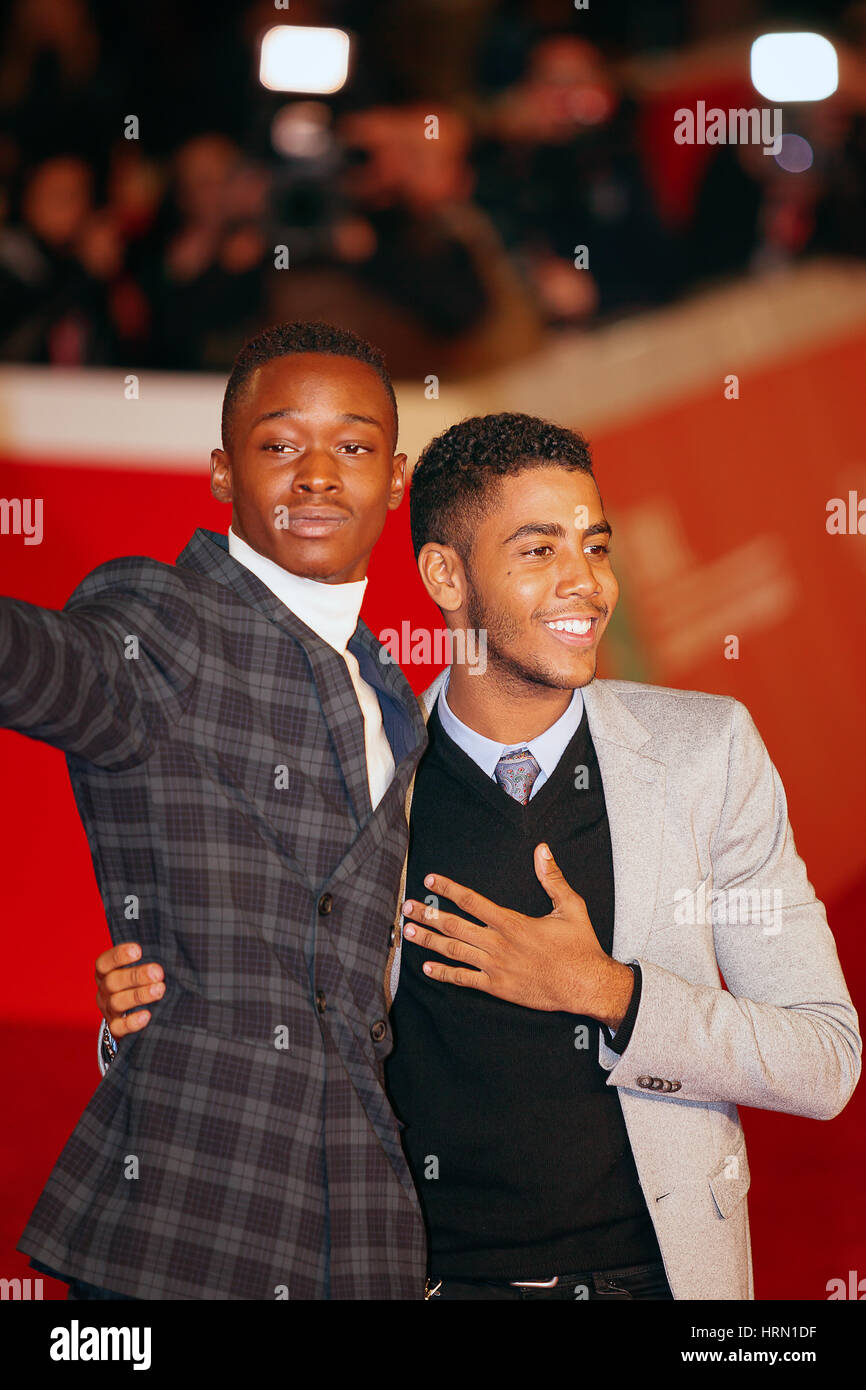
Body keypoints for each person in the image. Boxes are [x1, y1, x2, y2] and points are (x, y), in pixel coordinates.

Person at [95, 412, 861, 1300]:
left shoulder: (706, 753)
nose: (587, 583)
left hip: (660, 1278)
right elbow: (260, 1046)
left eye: (596, 545)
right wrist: (138, 1028)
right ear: (444, 575)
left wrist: (606, 991)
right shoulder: (354, 785)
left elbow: (824, 1059)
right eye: (539, 551)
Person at [2, 320, 431, 1300]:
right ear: (222, 473)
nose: (317, 474)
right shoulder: (164, 624)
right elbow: (48, 667)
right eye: (280, 444)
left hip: (361, 1229)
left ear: (395, 477)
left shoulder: (392, 691)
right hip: (189, 1211)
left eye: (353, 446)